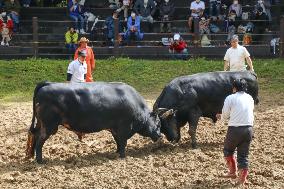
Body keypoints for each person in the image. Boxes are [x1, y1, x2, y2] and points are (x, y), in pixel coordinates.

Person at [216, 79, 255, 186]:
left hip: (235, 129)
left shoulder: (230, 98)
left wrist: (221, 117)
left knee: (228, 151)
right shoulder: (250, 98)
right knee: (243, 156)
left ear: (234, 88)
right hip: (249, 129)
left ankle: (232, 172)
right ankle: (242, 178)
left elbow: (225, 115)